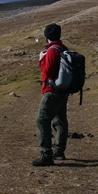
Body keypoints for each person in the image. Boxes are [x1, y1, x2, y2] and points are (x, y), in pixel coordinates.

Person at [32, 23, 69, 166]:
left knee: (42, 119)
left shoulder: (53, 51)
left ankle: (46, 154)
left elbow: (48, 72)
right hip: (62, 90)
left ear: (47, 36)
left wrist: (42, 60)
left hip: (52, 91)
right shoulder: (63, 48)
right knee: (59, 120)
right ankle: (58, 150)